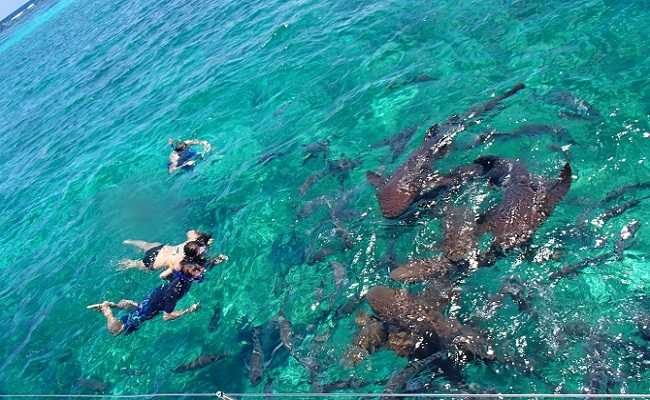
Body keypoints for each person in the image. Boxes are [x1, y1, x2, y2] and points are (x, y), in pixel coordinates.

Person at [87, 260, 206, 335]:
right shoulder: (175, 292)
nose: (201, 274)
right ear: (189, 277)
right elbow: (166, 316)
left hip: (153, 297)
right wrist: (189, 310)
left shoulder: (179, 274)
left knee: (139, 308)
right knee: (117, 330)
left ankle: (114, 305)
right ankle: (107, 310)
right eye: (198, 275)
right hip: (152, 306)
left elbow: (164, 275)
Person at [119, 230, 222, 274]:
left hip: (161, 248)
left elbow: (189, 231)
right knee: (134, 264)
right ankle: (123, 264)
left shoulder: (193, 240)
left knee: (145, 245)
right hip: (155, 262)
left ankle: (128, 241)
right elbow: (204, 267)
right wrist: (215, 261)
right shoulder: (185, 260)